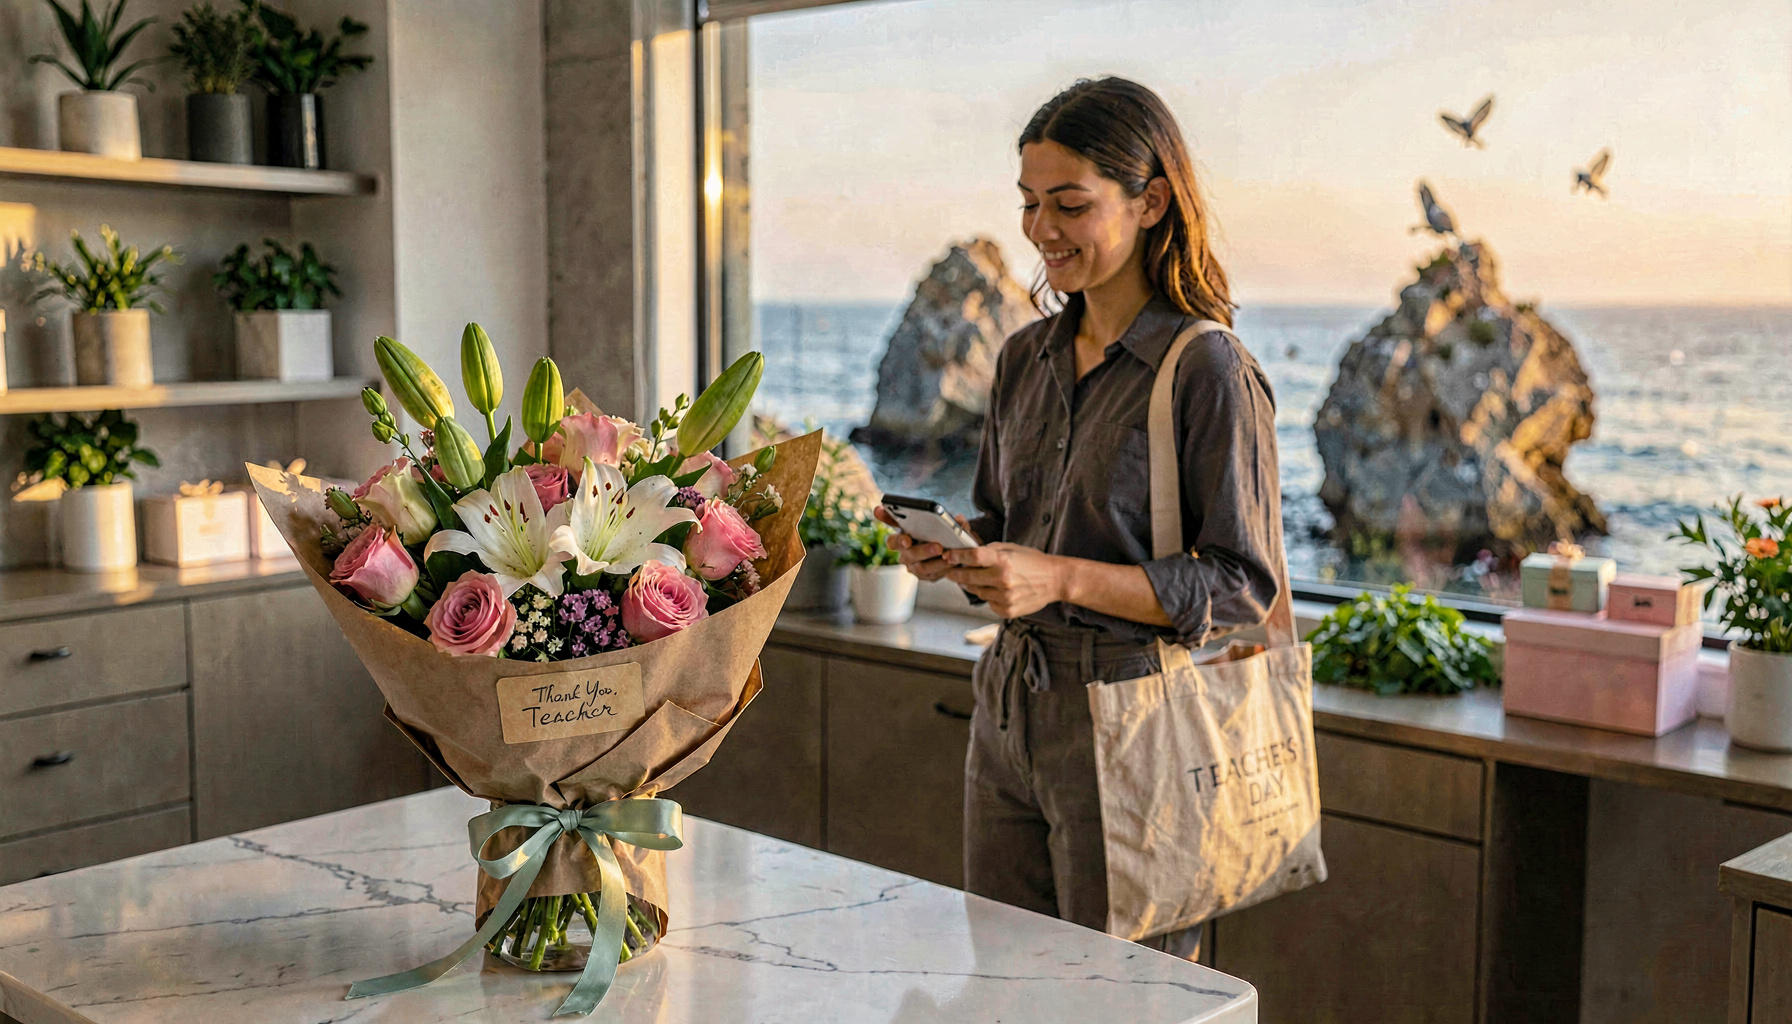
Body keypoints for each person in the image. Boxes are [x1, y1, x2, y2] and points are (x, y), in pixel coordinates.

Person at [875, 77, 1287, 954]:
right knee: (1006, 985)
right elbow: (1003, 520)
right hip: (1010, 706)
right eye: (1029, 203)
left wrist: (1054, 576)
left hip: (1135, 714)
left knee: (1126, 1002)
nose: (1041, 230)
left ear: (1150, 201)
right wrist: (957, 555)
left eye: (1070, 203)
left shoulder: (1207, 369)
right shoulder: (1025, 356)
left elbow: (1243, 586)